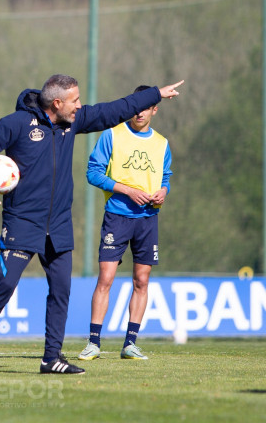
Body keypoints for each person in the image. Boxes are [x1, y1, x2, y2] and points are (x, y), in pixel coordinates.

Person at [0, 74, 183, 375]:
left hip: (58, 225)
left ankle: (51, 358)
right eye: (75, 101)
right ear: (57, 103)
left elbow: (115, 109)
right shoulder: (17, 124)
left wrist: (155, 94)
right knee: (5, 284)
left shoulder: (73, 123)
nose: (80, 106)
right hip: (22, 222)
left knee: (61, 290)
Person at [78, 86, 172, 362]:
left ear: (155, 109)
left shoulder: (162, 143)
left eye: (147, 107)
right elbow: (93, 173)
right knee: (105, 279)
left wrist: (163, 192)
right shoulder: (112, 135)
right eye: (137, 106)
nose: (140, 112)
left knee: (141, 280)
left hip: (148, 219)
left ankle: (130, 343)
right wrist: (127, 190)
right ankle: (93, 343)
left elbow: (165, 177)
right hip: (117, 216)